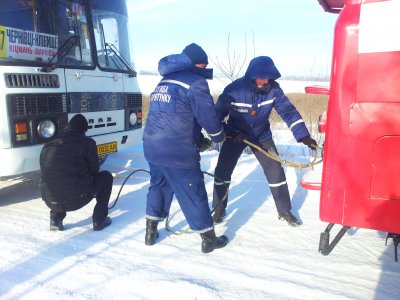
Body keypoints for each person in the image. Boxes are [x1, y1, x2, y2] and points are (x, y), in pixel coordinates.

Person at [142, 43, 228, 253]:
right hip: (177, 151)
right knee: (192, 191)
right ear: (192, 63)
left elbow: (177, 116)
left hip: (153, 146)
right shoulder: (195, 82)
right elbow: (206, 115)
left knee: (158, 186)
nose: (205, 66)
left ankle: (150, 232)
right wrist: (218, 136)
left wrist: (197, 138)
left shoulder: (164, 81)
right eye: (202, 63)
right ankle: (208, 239)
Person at [212, 56, 317, 226]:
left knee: (276, 171)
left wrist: (303, 135)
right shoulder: (234, 89)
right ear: (251, 75)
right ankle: (219, 209)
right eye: (260, 77)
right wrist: (229, 132)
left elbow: (288, 112)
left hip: (262, 137)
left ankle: (284, 210)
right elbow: (215, 117)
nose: (263, 81)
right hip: (236, 136)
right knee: (222, 172)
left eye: (267, 77)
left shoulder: (274, 90)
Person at [40, 114, 113, 231]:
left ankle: (55, 219)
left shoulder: (48, 145)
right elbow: (94, 171)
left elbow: (46, 173)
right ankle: (99, 220)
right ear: (83, 129)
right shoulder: (88, 143)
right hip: (76, 200)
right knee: (106, 177)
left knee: (56, 178)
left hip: (50, 200)